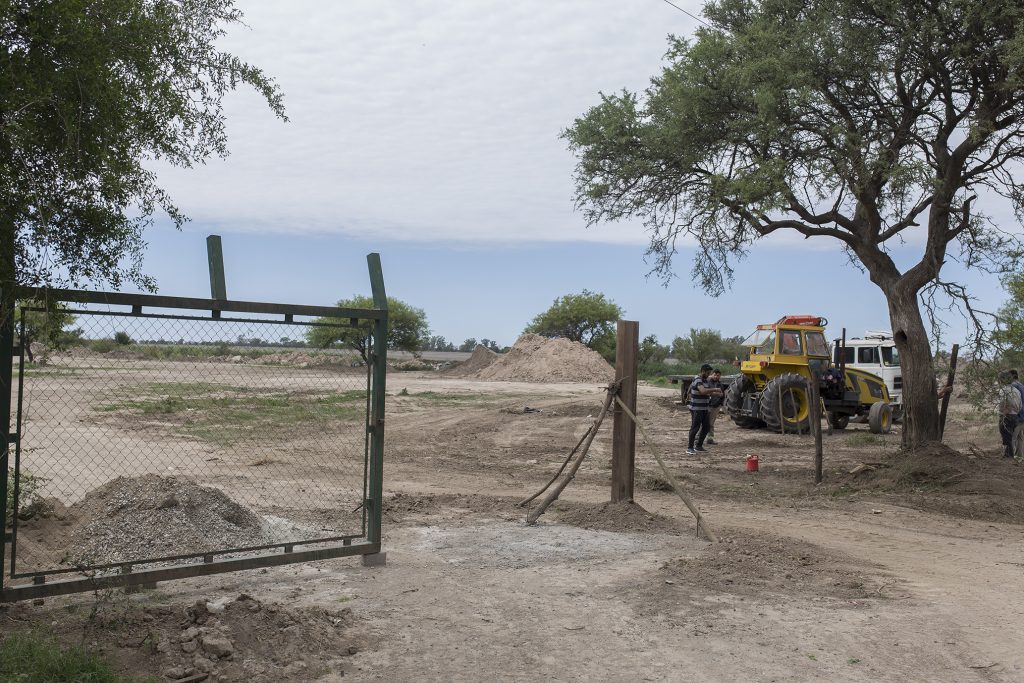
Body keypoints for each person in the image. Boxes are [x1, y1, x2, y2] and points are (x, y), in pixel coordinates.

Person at [687, 364, 723, 455]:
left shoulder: (705, 381)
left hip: (704, 408)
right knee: (695, 428)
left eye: (710, 373)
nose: (709, 374)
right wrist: (715, 389)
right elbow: (703, 391)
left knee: (706, 427)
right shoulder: (698, 379)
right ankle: (690, 448)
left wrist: (716, 394)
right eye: (707, 373)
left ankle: (699, 446)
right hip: (696, 408)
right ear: (702, 371)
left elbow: (707, 393)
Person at [997, 371, 1022, 459]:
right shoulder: (1016, 391)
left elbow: (1002, 403)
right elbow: (1020, 405)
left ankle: (1009, 456)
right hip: (1015, 416)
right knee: (1011, 436)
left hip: (1006, 416)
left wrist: (1004, 412)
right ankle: (1010, 455)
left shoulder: (1003, 390)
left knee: (1006, 436)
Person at [705, 368, 724, 444]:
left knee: (711, 423)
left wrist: (720, 404)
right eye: (715, 375)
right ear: (711, 375)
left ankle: (710, 439)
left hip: (716, 407)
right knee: (703, 422)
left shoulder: (721, 385)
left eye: (718, 375)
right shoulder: (707, 383)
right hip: (707, 405)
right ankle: (697, 438)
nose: (716, 376)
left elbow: (723, 396)